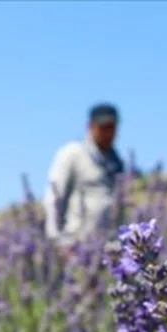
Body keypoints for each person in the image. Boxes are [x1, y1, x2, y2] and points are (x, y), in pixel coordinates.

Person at [43, 103, 126, 247]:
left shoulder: (117, 161)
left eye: (111, 127)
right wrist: (56, 239)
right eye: (103, 127)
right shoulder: (73, 153)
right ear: (90, 126)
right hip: (75, 242)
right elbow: (55, 195)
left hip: (108, 245)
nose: (107, 132)